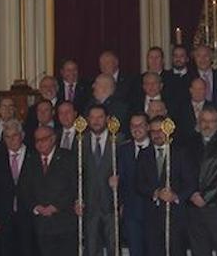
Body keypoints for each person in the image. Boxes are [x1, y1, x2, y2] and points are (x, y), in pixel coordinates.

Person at [136, 115, 197, 256]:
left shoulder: (181, 153)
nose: (157, 134)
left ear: (168, 130)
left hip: (175, 217)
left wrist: (176, 196)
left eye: (160, 130)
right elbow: (139, 184)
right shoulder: (144, 154)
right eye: (153, 131)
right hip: (152, 218)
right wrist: (156, 192)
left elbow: (191, 182)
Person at [19, 126, 78, 256]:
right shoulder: (30, 159)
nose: (39, 143)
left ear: (53, 139)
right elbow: (24, 189)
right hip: (41, 225)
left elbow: (74, 187)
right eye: (37, 140)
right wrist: (36, 207)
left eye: (44, 139)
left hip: (65, 222)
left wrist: (56, 206)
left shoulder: (68, 157)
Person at [187, 105, 217, 256]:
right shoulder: (189, 143)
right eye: (204, 121)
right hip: (193, 206)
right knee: (199, 250)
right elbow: (183, 172)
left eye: (211, 121)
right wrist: (192, 193)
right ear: (199, 121)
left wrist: (206, 197)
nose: (207, 125)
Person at [0, 119, 36, 256]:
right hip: (4, 218)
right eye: (7, 137)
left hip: (28, 217)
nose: (11, 140)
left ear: (22, 135)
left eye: (14, 135)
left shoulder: (34, 155)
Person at [76, 105, 120, 256]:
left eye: (100, 117)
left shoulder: (118, 140)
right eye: (92, 117)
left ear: (107, 119)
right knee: (91, 248)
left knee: (114, 247)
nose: (96, 121)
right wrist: (77, 199)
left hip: (112, 205)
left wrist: (119, 183)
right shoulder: (80, 141)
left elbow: (127, 171)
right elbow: (76, 174)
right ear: (87, 120)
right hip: (89, 206)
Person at [116, 113, 151, 256]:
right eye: (133, 126)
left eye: (140, 125)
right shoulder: (123, 150)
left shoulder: (158, 147)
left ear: (147, 127)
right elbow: (122, 181)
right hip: (131, 212)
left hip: (152, 211)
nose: (136, 129)